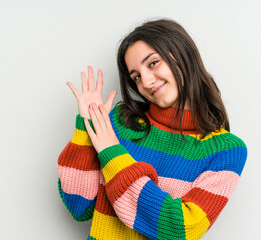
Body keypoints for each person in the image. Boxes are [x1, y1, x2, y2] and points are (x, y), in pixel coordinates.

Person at [57, 18, 247, 240]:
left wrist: (112, 153)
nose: (145, 82)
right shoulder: (120, 124)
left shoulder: (227, 151)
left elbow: (179, 230)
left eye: (153, 63)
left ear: (183, 55)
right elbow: (79, 207)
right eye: (136, 76)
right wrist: (86, 127)